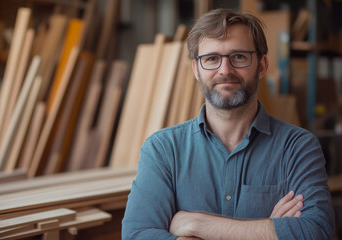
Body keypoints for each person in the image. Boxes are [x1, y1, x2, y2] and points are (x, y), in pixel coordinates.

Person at [122, 8, 335, 240]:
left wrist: (196, 224)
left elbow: (317, 231)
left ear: (262, 65)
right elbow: (137, 235)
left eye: (239, 57)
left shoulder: (298, 147)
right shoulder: (163, 150)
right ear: (196, 69)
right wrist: (270, 230)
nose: (225, 70)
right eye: (211, 59)